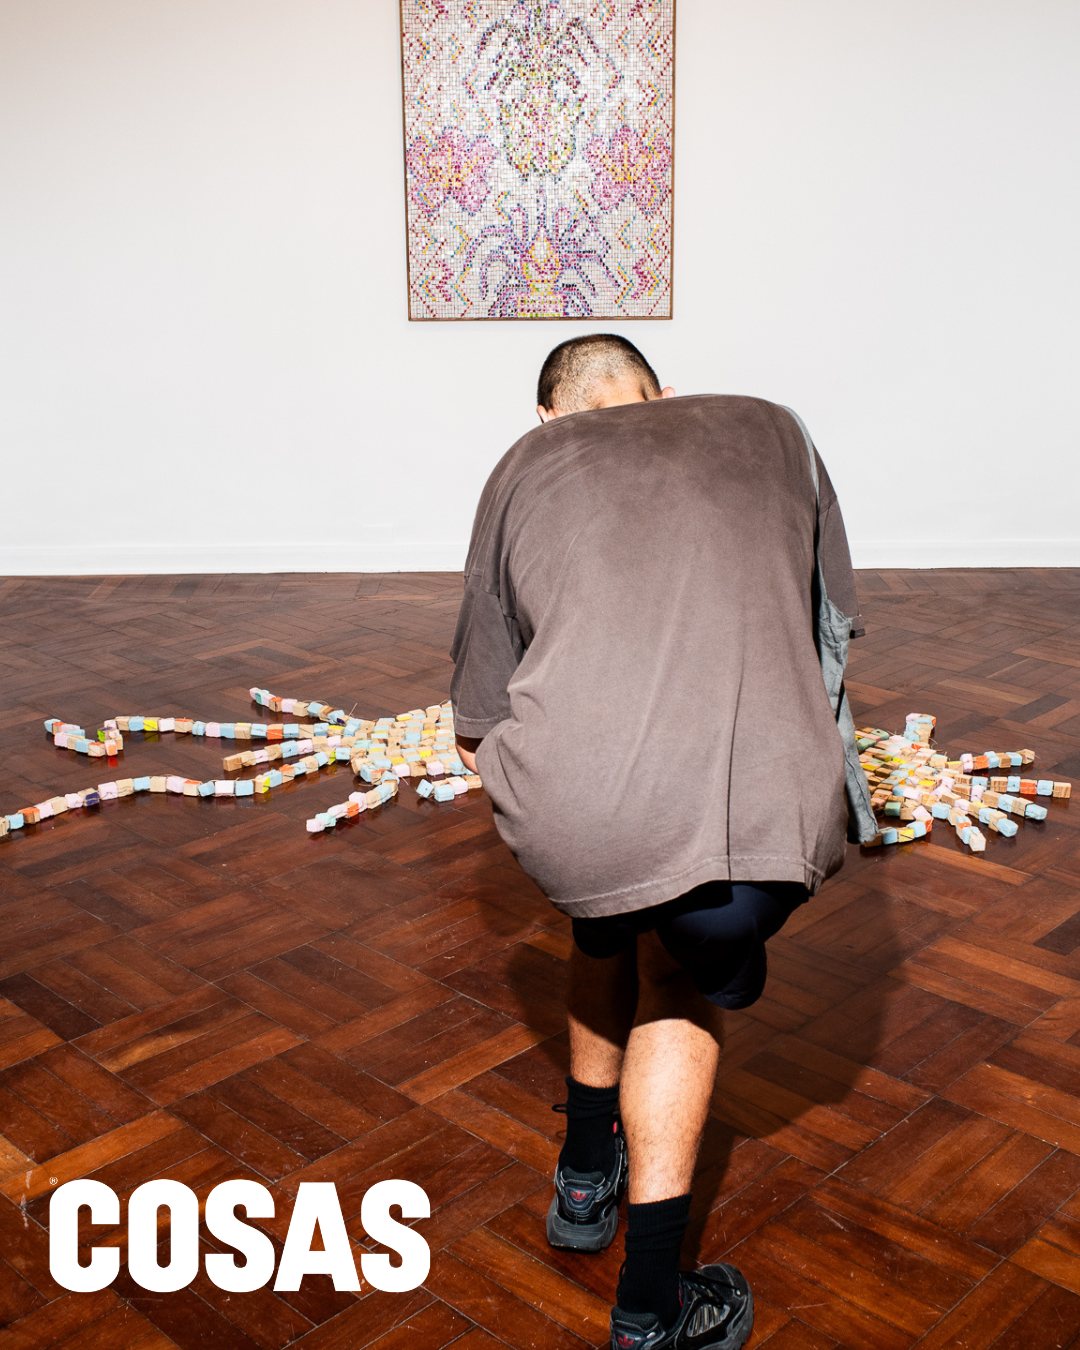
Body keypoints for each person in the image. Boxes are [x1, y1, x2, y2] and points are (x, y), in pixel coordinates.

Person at [449, 334, 867, 1350]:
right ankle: (649, 1309)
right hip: (760, 822)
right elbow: (831, 638)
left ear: (549, 419)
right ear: (664, 393)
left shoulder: (523, 463)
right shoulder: (776, 427)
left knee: (610, 909)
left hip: (577, 819)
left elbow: (474, 724)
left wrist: (575, 784)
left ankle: (584, 1183)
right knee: (683, 966)